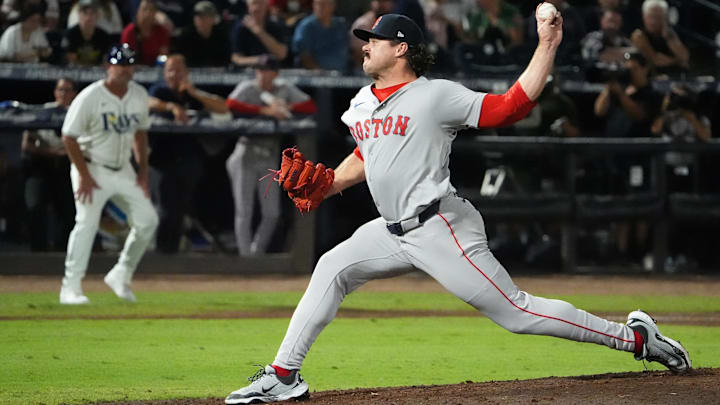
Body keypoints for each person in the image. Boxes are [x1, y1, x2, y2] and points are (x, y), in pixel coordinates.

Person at [224, 9, 691, 405]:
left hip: (439, 226)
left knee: (517, 312)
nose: (365, 46)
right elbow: (367, 153)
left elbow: (510, 107)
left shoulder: (436, 95)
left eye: (375, 40)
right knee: (332, 267)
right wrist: (327, 185)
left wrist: (547, 43)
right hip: (391, 232)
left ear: (401, 48)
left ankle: (635, 338)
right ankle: (284, 375)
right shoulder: (364, 101)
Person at [59, 44, 158, 305]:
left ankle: (120, 274)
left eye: (129, 64)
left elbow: (140, 132)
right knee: (86, 224)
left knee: (148, 220)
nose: (125, 69)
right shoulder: (90, 96)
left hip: (123, 169)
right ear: (108, 67)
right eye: (120, 64)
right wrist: (84, 175)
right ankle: (70, 288)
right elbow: (69, 137)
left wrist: (143, 172)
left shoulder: (138, 94)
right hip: (91, 166)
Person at [225, 60, 317, 256]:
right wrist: (264, 110)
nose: (262, 74)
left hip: (269, 154)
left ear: (275, 73)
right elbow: (230, 104)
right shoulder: (247, 87)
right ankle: (245, 258)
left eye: (267, 71)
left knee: (272, 213)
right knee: (244, 211)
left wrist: (285, 106)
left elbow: (310, 106)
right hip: (245, 152)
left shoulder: (283, 88)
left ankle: (256, 253)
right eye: (260, 70)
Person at [148, 53, 229, 254]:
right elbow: (146, 102)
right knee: (165, 211)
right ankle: (161, 255)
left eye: (179, 70)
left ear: (186, 73)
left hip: (188, 160)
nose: (174, 74)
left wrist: (195, 93)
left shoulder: (191, 94)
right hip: (161, 160)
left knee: (180, 210)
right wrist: (171, 106)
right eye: (170, 70)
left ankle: (173, 257)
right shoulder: (160, 91)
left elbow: (223, 108)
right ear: (165, 74)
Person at [21, 78, 77, 251]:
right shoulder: (42, 111)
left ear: (74, 94)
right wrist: (52, 152)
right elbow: (26, 144)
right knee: (35, 206)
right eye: (60, 90)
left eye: (68, 90)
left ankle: (62, 254)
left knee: (68, 212)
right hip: (41, 165)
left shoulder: (79, 113)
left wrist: (66, 153)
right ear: (55, 92)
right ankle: (38, 252)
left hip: (68, 166)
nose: (63, 93)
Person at [631, 0, 689, 75]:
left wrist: (667, 36)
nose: (653, 21)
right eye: (650, 16)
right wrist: (677, 61)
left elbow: (684, 56)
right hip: (652, 77)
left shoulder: (669, 34)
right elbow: (656, 61)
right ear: (644, 17)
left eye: (658, 17)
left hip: (674, 76)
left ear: (665, 18)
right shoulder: (639, 35)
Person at [291, 0, 348, 71]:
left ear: (332, 6)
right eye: (317, 4)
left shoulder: (340, 25)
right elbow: (303, 54)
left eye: (323, 4)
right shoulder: (306, 26)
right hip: (313, 76)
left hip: (343, 74)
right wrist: (318, 71)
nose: (319, 7)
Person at [170, 1, 230, 67]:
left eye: (205, 15)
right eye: (198, 16)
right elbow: (179, 59)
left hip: (217, 75)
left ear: (213, 18)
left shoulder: (221, 36)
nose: (201, 19)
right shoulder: (185, 35)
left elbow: (225, 60)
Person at [230, 0, 289, 68]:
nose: (257, 7)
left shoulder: (276, 26)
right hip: (248, 71)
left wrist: (259, 32)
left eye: (260, 3)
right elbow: (236, 58)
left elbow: (282, 54)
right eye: (254, 3)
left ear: (267, 6)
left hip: (274, 71)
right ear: (248, 6)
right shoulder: (240, 28)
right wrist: (259, 60)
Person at [61, 0, 112, 66]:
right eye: (85, 13)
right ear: (79, 15)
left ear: (97, 16)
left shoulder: (104, 36)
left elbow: (106, 60)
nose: (88, 18)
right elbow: (71, 59)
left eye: (92, 13)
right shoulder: (70, 35)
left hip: (98, 73)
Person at [120, 0, 170, 66]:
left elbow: (164, 56)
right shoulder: (129, 32)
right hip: (134, 70)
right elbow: (126, 56)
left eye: (151, 10)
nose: (147, 14)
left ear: (155, 13)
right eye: (144, 9)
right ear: (137, 12)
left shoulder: (161, 32)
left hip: (156, 70)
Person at [350, 0, 395, 70]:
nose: (382, 5)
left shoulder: (396, 23)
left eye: (386, 1)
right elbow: (359, 52)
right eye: (379, 1)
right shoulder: (362, 24)